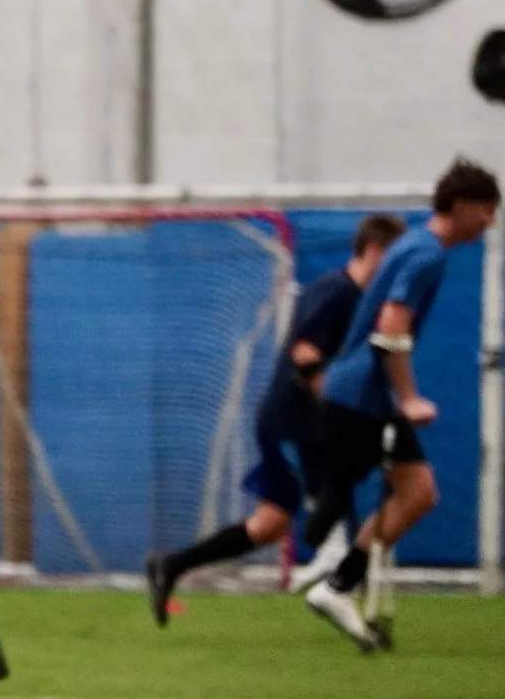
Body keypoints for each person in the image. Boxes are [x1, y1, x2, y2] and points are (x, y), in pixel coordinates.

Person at [144, 214, 406, 622]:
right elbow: (305, 354)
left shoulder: (355, 296)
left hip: (297, 422)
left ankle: (172, 564)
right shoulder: (337, 292)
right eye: (394, 260)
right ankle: (334, 571)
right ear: (374, 251)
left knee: (270, 524)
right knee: (335, 496)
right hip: (294, 424)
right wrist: (338, 410)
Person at [299, 160, 499, 649]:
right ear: (463, 206)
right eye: (488, 210)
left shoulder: (415, 245)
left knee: (417, 494)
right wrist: (408, 398)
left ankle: (336, 585)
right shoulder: (425, 254)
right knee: (391, 495)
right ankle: (333, 574)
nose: (491, 221)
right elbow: (391, 327)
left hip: (360, 395)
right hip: (362, 396)